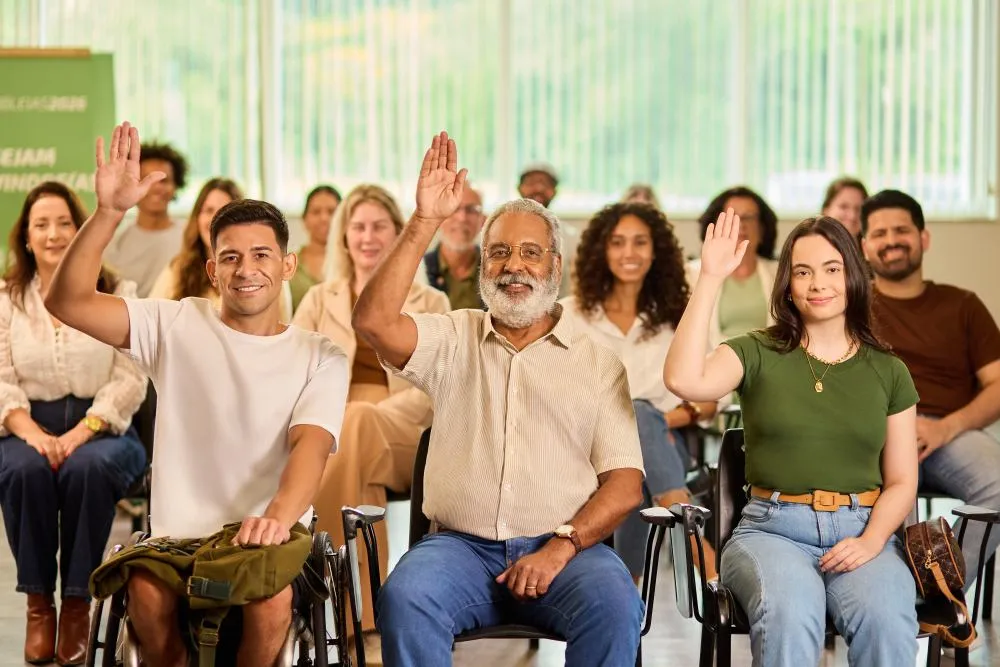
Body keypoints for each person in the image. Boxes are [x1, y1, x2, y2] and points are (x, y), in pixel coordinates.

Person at [44, 122, 349, 666]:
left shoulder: (320, 354)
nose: (246, 269)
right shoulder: (175, 324)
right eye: (230, 257)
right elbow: (67, 301)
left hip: (265, 539)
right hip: (177, 542)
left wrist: (278, 516)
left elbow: (311, 447)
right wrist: (110, 213)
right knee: (144, 593)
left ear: (287, 266)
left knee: (269, 597)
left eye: (261, 255)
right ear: (211, 269)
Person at [354, 132, 645, 667]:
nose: (515, 266)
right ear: (483, 264)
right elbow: (372, 321)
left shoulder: (597, 361)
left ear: (555, 268)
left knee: (616, 604)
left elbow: (625, 484)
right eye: (500, 252)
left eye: (531, 253)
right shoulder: (452, 337)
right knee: (406, 597)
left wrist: (560, 548)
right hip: (458, 551)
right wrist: (424, 222)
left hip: (566, 551)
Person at [664, 212, 919, 667]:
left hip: (863, 529)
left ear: (853, 275)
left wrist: (873, 539)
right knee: (790, 613)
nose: (817, 283)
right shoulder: (756, 350)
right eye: (803, 272)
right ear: (787, 283)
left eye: (831, 269)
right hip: (772, 530)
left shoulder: (889, 370)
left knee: (888, 621)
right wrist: (710, 278)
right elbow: (684, 379)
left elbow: (902, 480)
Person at [292, 183, 449, 662]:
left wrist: (350, 417)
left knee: (352, 426)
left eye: (380, 226)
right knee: (344, 434)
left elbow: (436, 391)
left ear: (400, 234)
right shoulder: (321, 298)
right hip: (334, 425)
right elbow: (293, 372)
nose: (368, 236)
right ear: (344, 237)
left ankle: (337, 608)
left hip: (407, 428)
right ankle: (364, 618)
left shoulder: (433, 302)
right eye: (358, 226)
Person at [0, 181, 148, 666]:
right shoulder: (7, 298)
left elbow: (131, 379)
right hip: (25, 425)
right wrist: (36, 435)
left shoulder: (117, 291)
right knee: (24, 470)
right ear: (25, 235)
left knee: (87, 469)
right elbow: (0, 379)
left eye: (65, 222)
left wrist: (82, 431)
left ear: (82, 228)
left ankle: (79, 605)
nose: (54, 233)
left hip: (106, 427)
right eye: (41, 224)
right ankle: (39, 604)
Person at [559, 201, 717, 581]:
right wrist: (626, 423)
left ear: (656, 250)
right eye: (617, 243)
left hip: (664, 437)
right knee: (635, 449)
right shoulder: (569, 315)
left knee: (640, 424)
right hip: (585, 449)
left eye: (640, 242)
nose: (629, 253)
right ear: (601, 250)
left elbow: (708, 400)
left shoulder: (681, 316)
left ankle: (628, 588)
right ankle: (701, 554)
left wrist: (652, 419)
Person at [863, 189, 1000, 585]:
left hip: (948, 432)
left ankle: (938, 593)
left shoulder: (963, 305)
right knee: (884, 501)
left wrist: (946, 427)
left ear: (923, 238)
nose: (891, 241)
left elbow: (996, 384)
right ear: (865, 246)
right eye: (880, 233)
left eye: (902, 230)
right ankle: (891, 601)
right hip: (877, 435)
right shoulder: (852, 307)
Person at [149, 178, 293, 320]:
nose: (214, 220)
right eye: (208, 210)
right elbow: (152, 319)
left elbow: (281, 326)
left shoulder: (270, 272)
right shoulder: (177, 269)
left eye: (223, 211)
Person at [687, 186, 779, 346]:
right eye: (732, 217)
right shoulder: (691, 274)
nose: (740, 224)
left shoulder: (780, 273)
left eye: (749, 217)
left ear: (762, 228)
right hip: (712, 363)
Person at [103, 141, 188, 297]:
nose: (156, 187)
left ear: (176, 185)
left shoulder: (190, 236)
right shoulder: (115, 241)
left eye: (164, 180)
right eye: (146, 179)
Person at [420, 184, 486, 310]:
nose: (462, 218)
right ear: (437, 218)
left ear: (482, 220)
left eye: (471, 210)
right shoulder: (419, 270)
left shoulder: (495, 270)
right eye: (453, 209)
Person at [289, 185, 341, 312]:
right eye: (316, 212)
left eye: (331, 212)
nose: (324, 218)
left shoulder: (354, 264)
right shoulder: (289, 266)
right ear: (304, 219)